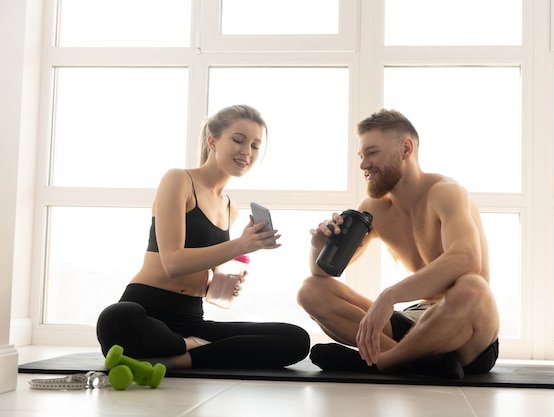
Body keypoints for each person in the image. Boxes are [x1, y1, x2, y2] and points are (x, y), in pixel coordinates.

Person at [97, 104, 310, 369]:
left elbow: (205, 282)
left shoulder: (230, 209)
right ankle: (193, 347)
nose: (247, 152)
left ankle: (177, 357)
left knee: (295, 339)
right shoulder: (179, 181)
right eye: (238, 140)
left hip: (190, 319)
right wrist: (240, 244)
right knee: (115, 318)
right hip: (145, 309)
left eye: (255, 145)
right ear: (213, 141)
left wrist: (220, 285)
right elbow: (173, 264)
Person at [297, 109, 499, 379]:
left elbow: (467, 258)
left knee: (472, 287)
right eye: (361, 156)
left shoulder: (446, 192)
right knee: (310, 291)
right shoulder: (374, 210)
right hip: (415, 324)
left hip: (465, 328)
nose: (363, 165)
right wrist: (319, 246)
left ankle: (383, 361)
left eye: (372, 153)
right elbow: (323, 274)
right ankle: (413, 363)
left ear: (405, 149)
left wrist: (389, 296)